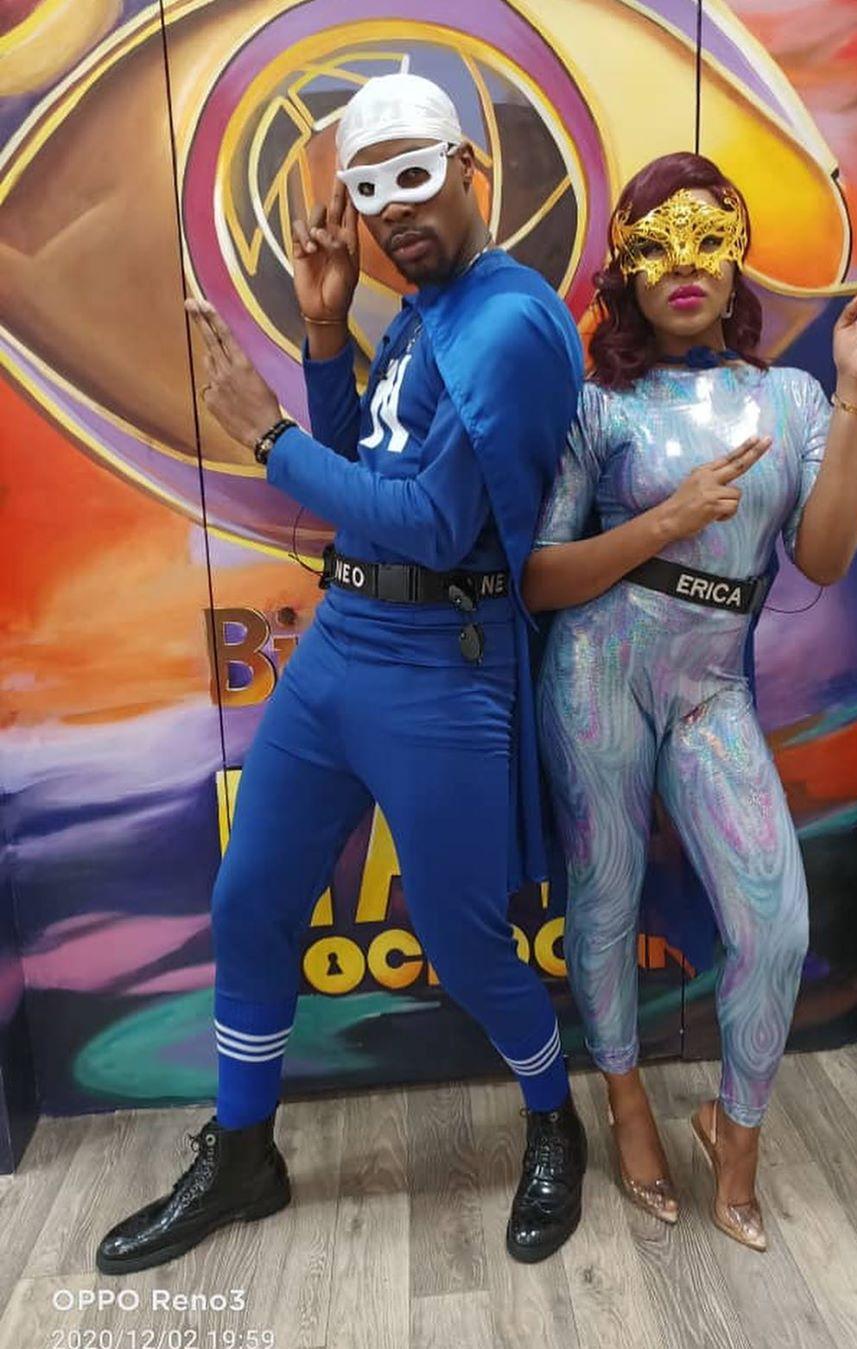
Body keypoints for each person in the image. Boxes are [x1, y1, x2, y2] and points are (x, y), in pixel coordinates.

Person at [95, 65, 587, 1274]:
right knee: (251, 898)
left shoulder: (511, 319)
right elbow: (364, 470)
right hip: (342, 646)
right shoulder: (425, 308)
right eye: (371, 190)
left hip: (441, 663)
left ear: (471, 170)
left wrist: (259, 432)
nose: (395, 209)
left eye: (415, 176)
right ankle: (244, 1152)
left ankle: (553, 1115)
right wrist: (326, 333)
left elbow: (434, 525)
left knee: (466, 944)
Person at [524, 152, 857, 1249]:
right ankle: (625, 1098)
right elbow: (539, 578)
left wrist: (854, 391)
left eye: (706, 238)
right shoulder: (598, 405)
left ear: (738, 255)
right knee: (604, 898)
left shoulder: (790, 398)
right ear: (627, 271)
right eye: (656, 245)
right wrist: (665, 518)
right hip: (596, 672)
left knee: (774, 927)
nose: (683, 264)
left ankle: (735, 1131)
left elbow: (824, 557)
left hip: (710, 689)